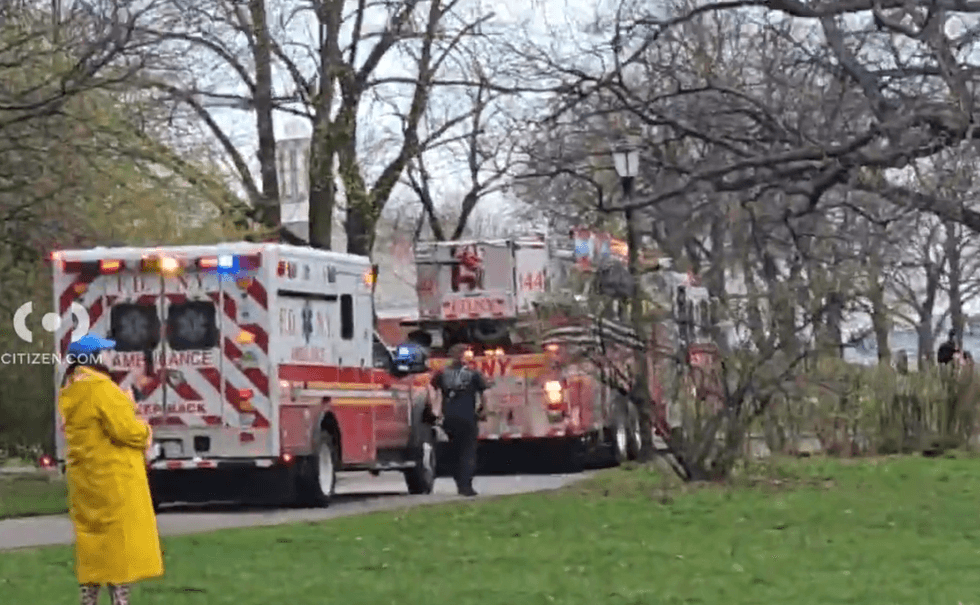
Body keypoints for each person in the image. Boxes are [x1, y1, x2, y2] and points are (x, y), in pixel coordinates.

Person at [59, 334, 163, 605]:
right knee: (119, 544)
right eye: (105, 352)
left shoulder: (71, 389)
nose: (110, 356)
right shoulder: (101, 389)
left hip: (85, 480)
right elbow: (125, 429)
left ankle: (89, 598)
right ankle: (120, 599)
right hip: (113, 479)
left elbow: (103, 415)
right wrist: (145, 430)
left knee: (91, 543)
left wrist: (132, 394)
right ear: (94, 357)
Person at [430, 343, 489, 497]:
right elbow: (484, 393)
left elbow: (432, 390)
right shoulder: (473, 373)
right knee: (468, 451)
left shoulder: (442, 374)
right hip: (468, 417)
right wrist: (483, 410)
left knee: (454, 451)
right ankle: (465, 485)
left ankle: (458, 482)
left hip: (449, 418)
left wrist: (435, 411)